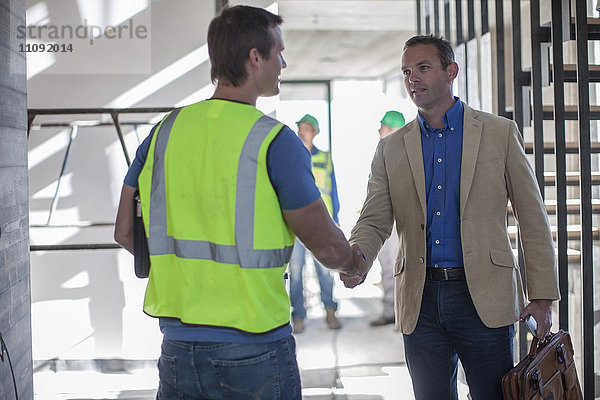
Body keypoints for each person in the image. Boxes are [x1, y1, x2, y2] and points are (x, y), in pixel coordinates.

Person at [113, 6, 365, 399]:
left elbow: (125, 231)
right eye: (278, 52)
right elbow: (328, 247)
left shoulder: (163, 132)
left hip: (177, 348)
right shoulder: (275, 141)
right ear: (255, 57)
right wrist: (353, 262)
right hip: (253, 348)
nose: (283, 62)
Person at [342, 34, 560, 399]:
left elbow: (532, 217)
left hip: (484, 298)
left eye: (423, 68)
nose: (413, 78)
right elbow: (374, 218)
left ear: (451, 71)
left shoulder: (498, 133)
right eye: (407, 71)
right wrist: (357, 258)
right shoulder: (390, 148)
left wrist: (542, 294)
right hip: (420, 299)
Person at [289, 114, 342, 333]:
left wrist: (336, 220)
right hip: (297, 225)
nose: (302, 132)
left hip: (322, 225)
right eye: (300, 128)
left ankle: (330, 311)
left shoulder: (326, 158)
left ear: (315, 132)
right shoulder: (290, 157)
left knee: (325, 271)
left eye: (307, 128)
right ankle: (298, 316)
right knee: (296, 271)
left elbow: (333, 191)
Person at [369, 111, 405, 327]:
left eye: (383, 126)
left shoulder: (401, 155)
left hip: (398, 227)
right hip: (385, 226)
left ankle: (400, 315)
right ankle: (390, 312)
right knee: (387, 269)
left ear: (392, 130)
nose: (379, 130)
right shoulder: (383, 153)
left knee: (399, 270)